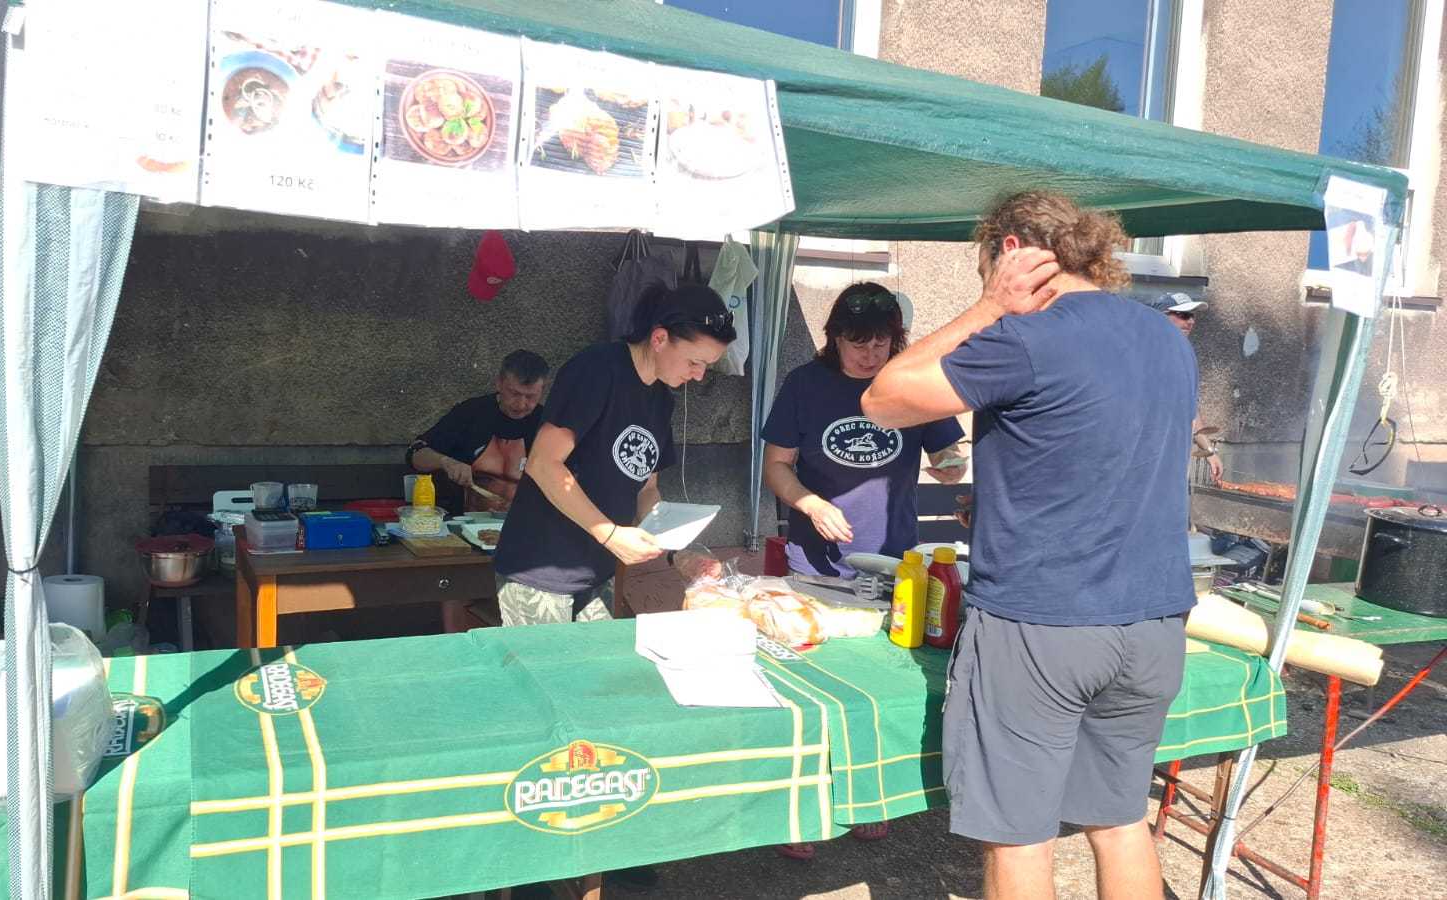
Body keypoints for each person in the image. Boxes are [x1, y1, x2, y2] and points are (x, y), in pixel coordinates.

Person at [861, 191, 1197, 900]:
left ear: (1010, 251)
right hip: (1154, 619)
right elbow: (1101, 449)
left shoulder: (1025, 335)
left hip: (1043, 622)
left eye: (985, 265)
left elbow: (883, 399)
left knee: (1019, 834)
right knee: (1119, 821)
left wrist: (987, 307)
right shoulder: (1166, 336)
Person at [493, 283, 737, 627]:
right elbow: (543, 463)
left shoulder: (660, 399)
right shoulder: (597, 370)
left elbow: (646, 489)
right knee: (548, 663)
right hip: (540, 569)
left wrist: (678, 552)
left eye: (706, 366)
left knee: (600, 661)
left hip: (598, 569)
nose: (698, 376)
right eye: (694, 362)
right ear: (659, 338)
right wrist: (609, 533)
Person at [763, 282, 967, 583]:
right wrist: (812, 505)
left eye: (880, 345)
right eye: (859, 346)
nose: (870, 357)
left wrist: (951, 466)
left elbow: (946, 451)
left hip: (895, 558)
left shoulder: (912, 383)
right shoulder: (804, 384)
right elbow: (775, 465)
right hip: (817, 561)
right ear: (836, 338)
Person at [408, 350, 549, 512]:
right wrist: (446, 462)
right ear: (499, 383)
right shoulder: (470, 414)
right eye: (514, 393)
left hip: (525, 520)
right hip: (466, 520)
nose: (521, 404)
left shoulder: (548, 425)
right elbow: (415, 454)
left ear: (542, 391)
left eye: (530, 397)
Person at [1154, 292, 1224, 483]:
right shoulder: (1145, 353)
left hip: (1173, 459)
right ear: (1162, 316)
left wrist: (1209, 451)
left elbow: (1189, 408)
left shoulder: (1184, 356)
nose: (1191, 321)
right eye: (1184, 315)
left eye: (1192, 315)